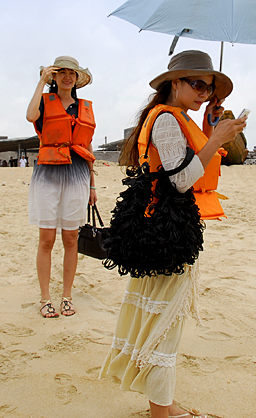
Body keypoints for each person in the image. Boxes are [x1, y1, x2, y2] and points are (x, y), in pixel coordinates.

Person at [100, 50, 247, 418]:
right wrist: (216, 139)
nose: (203, 93)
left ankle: (161, 404)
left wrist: (213, 126)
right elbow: (180, 180)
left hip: (162, 227)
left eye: (209, 89)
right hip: (166, 231)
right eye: (197, 85)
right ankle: (161, 412)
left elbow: (191, 164)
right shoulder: (166, 120)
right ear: (175, 83)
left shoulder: (174, 117)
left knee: (157, 317)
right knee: (165, 323)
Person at [26, 55, 96, 319]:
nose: (67, 77)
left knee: (71, 238)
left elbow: (87, 147)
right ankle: (45, 298)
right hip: (48, 174)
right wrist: (41, 83)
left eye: (72, 73)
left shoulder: (84, 107)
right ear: (54, 77)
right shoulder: (44, 102)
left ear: (77, 78)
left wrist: (92, 186)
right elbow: (30, 116)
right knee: (46, 239)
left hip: (77, 175)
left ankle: (67, 296)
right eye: (62, 72)